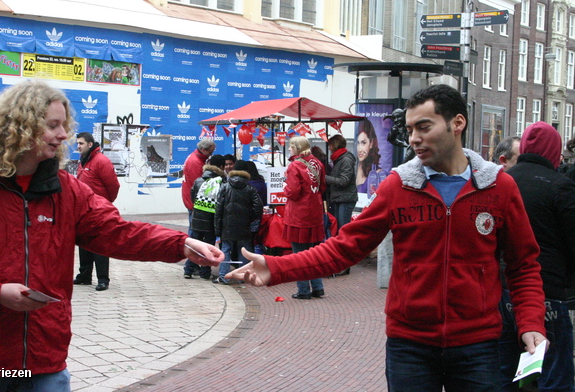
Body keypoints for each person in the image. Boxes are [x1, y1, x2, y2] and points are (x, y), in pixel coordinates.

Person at [228, 84, 547, 391]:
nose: (414, 139)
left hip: (479, 345)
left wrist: (531, 323)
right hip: (410, 347)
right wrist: (277, 267)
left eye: (424, 127)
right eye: (410, 130)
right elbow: (343, 249)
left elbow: (524, 266)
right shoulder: (398, 187)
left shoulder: (499, 188)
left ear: (457, 123)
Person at [0, 80, 223, 392]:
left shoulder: (66, 190)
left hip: (44, 358)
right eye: (52, 125)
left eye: (64, 125)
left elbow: (115, 232)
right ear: (19, 127)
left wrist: (178, 243)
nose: (63, 135)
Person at [500, 122, 575, 392]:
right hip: (547, 293)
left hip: (505, 292)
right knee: (555, 377)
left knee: (504, 375)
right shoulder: (561, 186)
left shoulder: (503, 182)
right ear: (554, 152)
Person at [72, 131, 120, 291]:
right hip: (83, 211)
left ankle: (103, 279)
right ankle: (84, 276)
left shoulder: (101, 161)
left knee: (100, 244)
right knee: (84, 244)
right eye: (77, 143)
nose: (78, 146)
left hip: (99, 211)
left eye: (81, 144)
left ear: (90, 144)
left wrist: (104, 203)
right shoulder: (83, 161)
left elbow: (114, 186)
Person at [283, 136, 326, 300]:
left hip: (299, 215)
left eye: (290, 147)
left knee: (299, 254)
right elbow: (322, 186)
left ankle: (303, 290)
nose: (289, 149)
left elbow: (293, 192)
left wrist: (284, 188)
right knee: (314, 252)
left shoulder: (295, 165)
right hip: (315, 213)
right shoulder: (317, 163)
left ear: (296, 148)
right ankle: (318, 287)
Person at [214, 160, 263, 284]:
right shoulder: (250, 188)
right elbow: (258, 206)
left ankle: (223, 276)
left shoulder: (225, 186)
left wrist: (217, 227)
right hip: (244, 225)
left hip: (227, 225)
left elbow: (218, 208)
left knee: (226, 249)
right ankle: (243, 276)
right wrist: (250, 217)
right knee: (244, 250)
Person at [185, 154, 226, 280]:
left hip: (197, 219)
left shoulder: (199, 180)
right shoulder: (222, 182)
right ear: (221, 166)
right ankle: (205, 273)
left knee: (194, 245)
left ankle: (188, 270)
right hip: (211, 221)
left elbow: (193, 198)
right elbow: (221, 203)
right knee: (209, 247)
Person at [326, 134, 358, 276]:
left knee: (343, 232)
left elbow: (344, 180)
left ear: (335, 145)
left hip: (345, 198)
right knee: (339, 230)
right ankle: (343, 262)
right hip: (340, 198)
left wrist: (325, 178)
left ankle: (345, 263)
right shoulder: (339, 159)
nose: (329, 148)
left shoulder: (345, 159)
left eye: (330, 145)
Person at [182, 138, 216, 220]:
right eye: (210, 152)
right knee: (195, 226)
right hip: (193, 199)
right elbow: (199, 185)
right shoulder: (196, 162)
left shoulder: (195, 157)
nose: (211, 155)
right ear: (203, 149)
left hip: (190, 196)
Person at [355, 118, 382, 193]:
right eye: (358, 143)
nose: (360, 149)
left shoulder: (377, 173)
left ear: (371, 143)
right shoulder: (354, 168)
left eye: (363, 143)